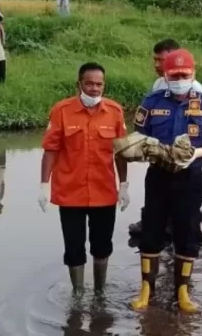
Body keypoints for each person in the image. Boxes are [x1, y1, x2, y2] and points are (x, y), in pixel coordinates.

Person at [130, 49, 202, 313]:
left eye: (185, 74)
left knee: (187, 232)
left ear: (193, 73)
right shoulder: (151, 102)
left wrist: (198, 152)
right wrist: (142, 149)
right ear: (165, 74)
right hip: (158, 175)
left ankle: (182, 292)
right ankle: (146, 290)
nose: (180, 78)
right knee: (151, 231)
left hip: (190, 176)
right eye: (174, 74)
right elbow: (137, 137)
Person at [39, 62, 129, 295]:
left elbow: (121, 152)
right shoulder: (61, 110)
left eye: (99, 84)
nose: (94, 89)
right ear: (79, 84)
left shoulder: (115, 111)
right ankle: (77, 292)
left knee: (102, 247)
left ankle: (100, 291)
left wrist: (124, 185)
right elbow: (50, 149)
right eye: (89, 83)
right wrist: (43, 184)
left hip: (104, 192)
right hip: (70, 193)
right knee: (73, 247)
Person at [128, 38, 202, 239]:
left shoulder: (196, 91)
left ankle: (192, 222)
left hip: (185, 164)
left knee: (183, 225)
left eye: (162, 60)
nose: (157, 65)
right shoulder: (159, 84)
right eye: (155, 60)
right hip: (160, 161)